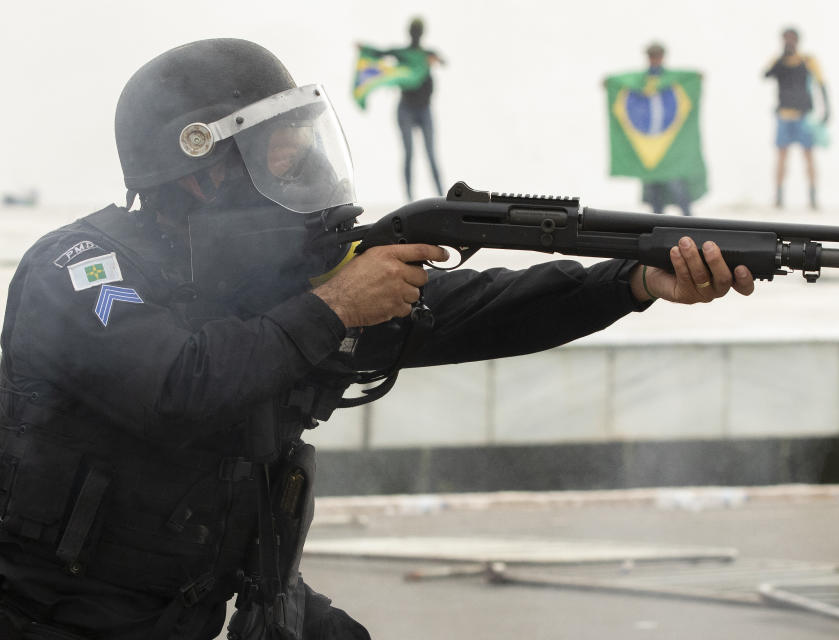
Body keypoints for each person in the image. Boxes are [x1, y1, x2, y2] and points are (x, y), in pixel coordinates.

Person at [0, 38, 754, 640]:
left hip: (197, 612)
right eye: (283, 155)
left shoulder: (271, 282)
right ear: (202, 167)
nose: (308, 172)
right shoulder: (82, 269)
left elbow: (475, 308)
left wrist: (632, 283)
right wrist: (331, 306)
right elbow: (177, 386)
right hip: (53, 621)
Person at [360, 18, 445, 201]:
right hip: (407, 108)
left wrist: (435, 60)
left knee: (430, 154)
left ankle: (442, 196)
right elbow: (380, 54)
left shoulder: (426, 54)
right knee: (409, 155)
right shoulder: (403, 53)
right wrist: (365, 49)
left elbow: (444, 61)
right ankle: (409, 199)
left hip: (424, 109)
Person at [764, 27, 830, 210]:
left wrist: (827, 109)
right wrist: (781, 59)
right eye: (786, 39)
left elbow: (821, 83)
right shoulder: (779, 61)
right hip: (783, 115)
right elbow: (766, 74)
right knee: (781, 157)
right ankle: (778, 196)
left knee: (808, 156)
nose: (789, 43)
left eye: (792, 39)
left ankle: (813, 196)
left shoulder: (807, 60)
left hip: (803, 116)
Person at [639, 42, 695, 216]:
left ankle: (690, 222)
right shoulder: (641, 81)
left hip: (670, 142)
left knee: (678, 189)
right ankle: (657, 223)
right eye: (652, 56)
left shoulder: (672, 79)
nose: (655, 59)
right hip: (651, 143)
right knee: (655, 193)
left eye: (657, 56)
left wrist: (695, 80)